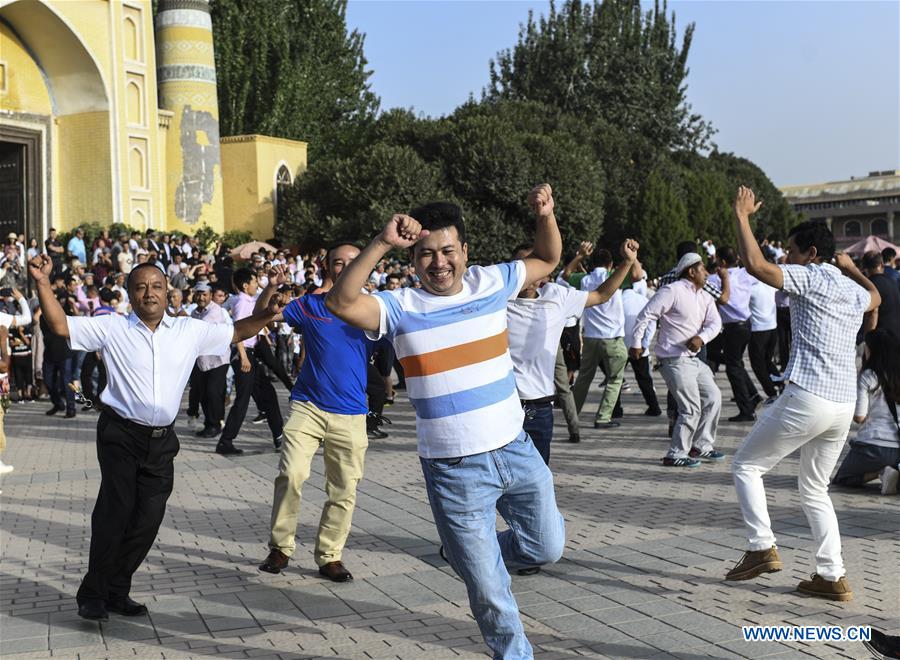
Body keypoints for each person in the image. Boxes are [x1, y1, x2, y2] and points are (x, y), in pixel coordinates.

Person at [326, 184, 566, 659]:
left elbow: (548, 257)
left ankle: (463, 552)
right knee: (491, 592)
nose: (439, 263)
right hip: (454, 470)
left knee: (546, 548)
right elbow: (341, 302)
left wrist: (545, 213)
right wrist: (382, 241)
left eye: (448, 251)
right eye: (426, 254)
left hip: (516, 449)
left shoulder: (491, 282)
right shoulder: (400, 307)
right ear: (413, 260)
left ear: (465, 252)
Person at [28, 254, 287, 622]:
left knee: (148, 518)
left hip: (162, 441)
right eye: (140, 287)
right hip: (120, 433)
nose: (149, 293)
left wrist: (269, 308)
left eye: (156, 286)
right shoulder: (112, 328)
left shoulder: (189, 331)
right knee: (114, 513)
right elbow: (58, 324)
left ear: (168, 292)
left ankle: (118, 589)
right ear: (130, 294)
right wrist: (41, 281)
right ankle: (94, 594)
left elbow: (240, 331)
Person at [725, 187, 880, 602]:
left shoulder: (810, 277)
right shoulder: (851, 289)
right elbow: (875, 297)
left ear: (811, 253)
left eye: (791, 251)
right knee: (814, 489)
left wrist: (742, 217)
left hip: (808, 396)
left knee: (745, 467)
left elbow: (757, 265)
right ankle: (831, 575)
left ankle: (761, 547)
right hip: (843, 405)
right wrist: (853, 268)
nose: (787, 258)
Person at [256, 250, 374, 583]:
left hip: (351, 412)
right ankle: (280, 548)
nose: (348, 266)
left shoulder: (373, 308)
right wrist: (270, 288)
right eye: (340, 261)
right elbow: (262, 316)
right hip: (308, 406)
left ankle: (330, 556)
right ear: (327, 266)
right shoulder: (310, 304)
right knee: (291, 474)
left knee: (344, 488)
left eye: (355, 260)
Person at [507, 239, 640, 464]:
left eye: (532, 266)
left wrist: (627, 262)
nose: (526, 273)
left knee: (538, 480)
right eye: (520, 266)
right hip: (502, 406)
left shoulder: (556, 295)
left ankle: (575, 426)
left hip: (539, 407)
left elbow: (601, 295)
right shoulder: (494, 300)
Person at [631, 252, 723, 468]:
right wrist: (636, 343)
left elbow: (715, 324)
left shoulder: (704, 296)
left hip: (693, 360)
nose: (707, 273)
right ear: (691, 271)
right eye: (703, 269)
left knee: (713, 397)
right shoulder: (672, 291)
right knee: (691, 408)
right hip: (673, 359)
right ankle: (675, 454)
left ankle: (701, 446)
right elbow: (646, 315)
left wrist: (702, 338)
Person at [217, 268, 285, 455]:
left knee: (268, 395)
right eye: (254, 281)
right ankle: (226, 440)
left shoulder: (249, 301)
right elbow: (236, 330)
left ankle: (279, 436)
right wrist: (244, 356)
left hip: (251, 356)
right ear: (245, 285)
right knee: (243, 399)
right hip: (244, 356)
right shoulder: (241, 302)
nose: (257, 284)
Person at [571, 249, 640, 429]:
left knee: (583, 379)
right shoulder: (615, 276)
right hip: (612, 338)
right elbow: (637, 275)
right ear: (610, 264)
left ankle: (572, 414)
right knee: (615, 380)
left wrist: (579, 256)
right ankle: (603, 417)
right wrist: (633, 257)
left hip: (590, 337)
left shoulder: (584, 280)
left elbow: (566, 275)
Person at [832, 329, 900, 495]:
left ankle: (881, 472)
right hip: (898, 448)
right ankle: (895, 472)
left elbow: (860, 417)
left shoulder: (868, 376)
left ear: (873, 350)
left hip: (872, 446)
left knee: (842, 478)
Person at [707, 247, 762, 422]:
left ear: (722, 262)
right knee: (735, 362)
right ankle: (753, 396)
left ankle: (746, 409)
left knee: (733, 368)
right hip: (746, 325)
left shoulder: (716, 279)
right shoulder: (746, 274)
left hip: (732, 328)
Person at [187, 282, 231, 437]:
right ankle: (211, 423)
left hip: (218, 359)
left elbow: (200, 329)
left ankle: (215, 424)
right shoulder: (194, 313)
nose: (201, 297)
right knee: (204, 394)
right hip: (202, 361)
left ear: (210, 295)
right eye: (198, 294)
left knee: (213, 392)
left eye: (204, 294)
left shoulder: (215, 311)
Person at [619, 284, 661, 416]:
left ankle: (615, 410)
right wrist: (645, 343)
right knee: (644, 379)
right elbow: (652, 323)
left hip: (621, 345)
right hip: (640, 346)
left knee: (615, 379)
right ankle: (654, 407)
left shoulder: (618, 300)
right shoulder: (643, 300)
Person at [747, 270, 781, 402]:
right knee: (768, 361)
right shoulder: (770, 285)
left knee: (758, 364)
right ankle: (779, 384)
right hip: (772, 328)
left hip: (758, 330)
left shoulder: (750, 288)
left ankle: (771, 392)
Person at [860, 251, 900, 338]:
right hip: (896, 335)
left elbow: (873, 313)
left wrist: (867, 339)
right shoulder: (893, 282)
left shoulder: (869, 286)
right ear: (881, 264)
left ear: (864, 267)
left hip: (880, 338)